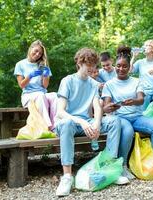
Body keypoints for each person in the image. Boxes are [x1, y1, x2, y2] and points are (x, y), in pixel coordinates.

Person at [54, 48, 129, 197]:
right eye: (88, 64)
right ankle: (67, 177)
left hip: (87, 122)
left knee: (114, 120)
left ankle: (110, 169)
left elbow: (97, 107)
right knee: (68, 124)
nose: (91, 68)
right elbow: (60, 112)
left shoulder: (93, 84)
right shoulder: (67, 81)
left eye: (94, 64)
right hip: (68, 123)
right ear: (79, 63)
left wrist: (96, 122)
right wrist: (82, 122)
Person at [102, 46, 153, 174]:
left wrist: (133, 101)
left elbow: (141, 99)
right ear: (115, 66)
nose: (121, 69)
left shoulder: (137, 81)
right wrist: (111, 106)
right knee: (128, 131)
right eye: (118, 66)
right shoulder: (109, 84)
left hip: (137, 117)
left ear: (129, 68)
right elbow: (106, 107)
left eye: (124, 66)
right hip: (119, 118)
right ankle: (123, 165)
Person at [14, 40, 57, 131]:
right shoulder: (20, 64)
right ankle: (46, 127)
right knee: (40, 96)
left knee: (55, 96)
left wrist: (45, 75)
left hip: (41, 93)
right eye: (36, 51)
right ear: (31, 48)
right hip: (28, 95)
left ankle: (55, 126)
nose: (38, 54)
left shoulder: (43, 65)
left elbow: (45, 86)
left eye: (40, 53)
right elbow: (21, 85)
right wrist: (30, 76)